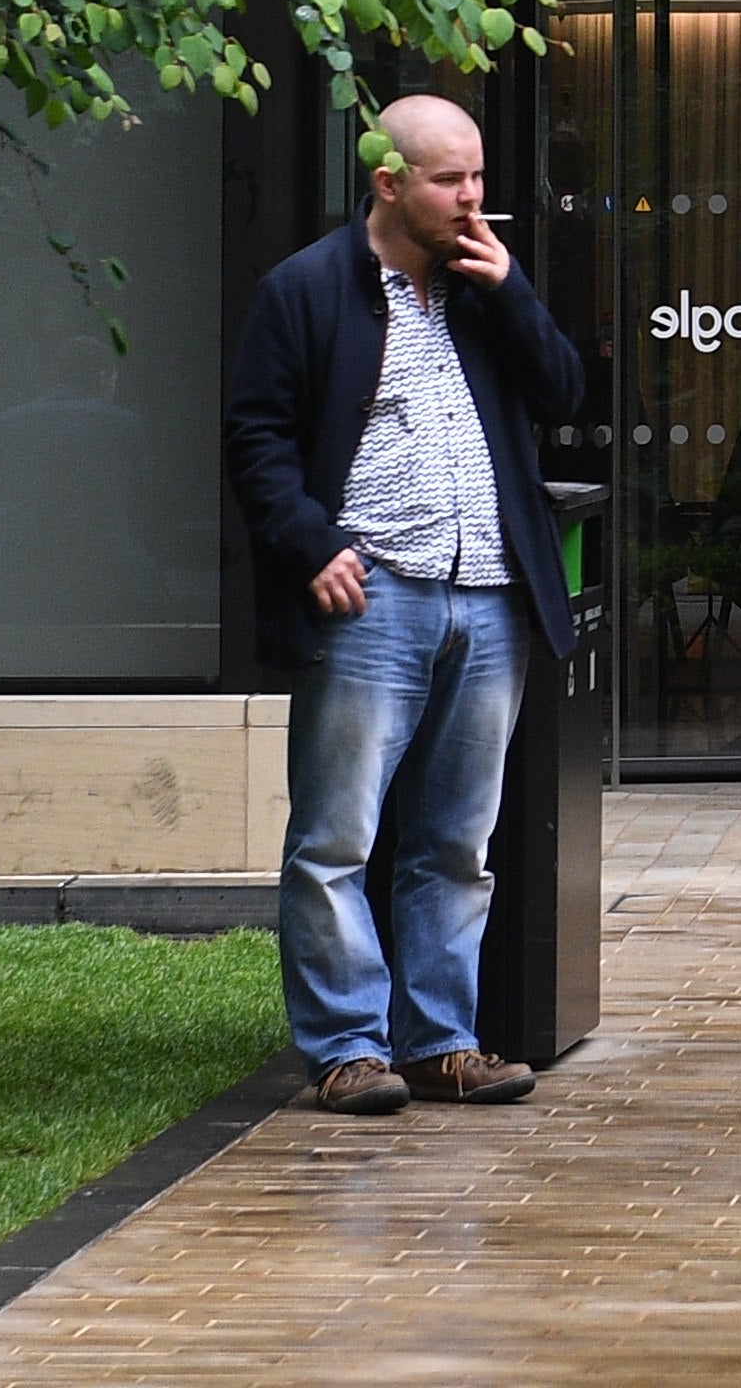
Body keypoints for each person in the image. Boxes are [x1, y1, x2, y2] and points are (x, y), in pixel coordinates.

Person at [224, 92, 587, 1119]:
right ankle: (346, 1048)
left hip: (490, 598)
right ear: (389, 182)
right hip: (372, 597)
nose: (473, 199)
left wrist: (513, 293)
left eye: (478, 178)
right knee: (338, 839)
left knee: (457, 843)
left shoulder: (484, 284)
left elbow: (565, 394)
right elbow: (256, 443)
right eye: (450, 180)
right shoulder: (305, 290)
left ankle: (440, 1043)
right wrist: (310, 545)